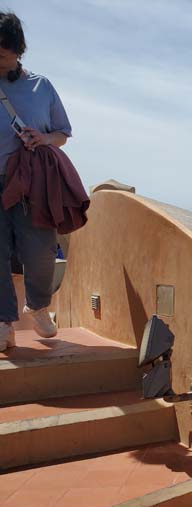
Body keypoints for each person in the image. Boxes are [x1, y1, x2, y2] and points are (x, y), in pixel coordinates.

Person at [0, 11, 72, 351]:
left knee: (43, 249)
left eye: (5, 46)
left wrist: (43, 139)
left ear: (18, 48)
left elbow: (63, 133)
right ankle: (3, 322)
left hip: (33, 183)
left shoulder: (41, 86)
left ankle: (39, 306)